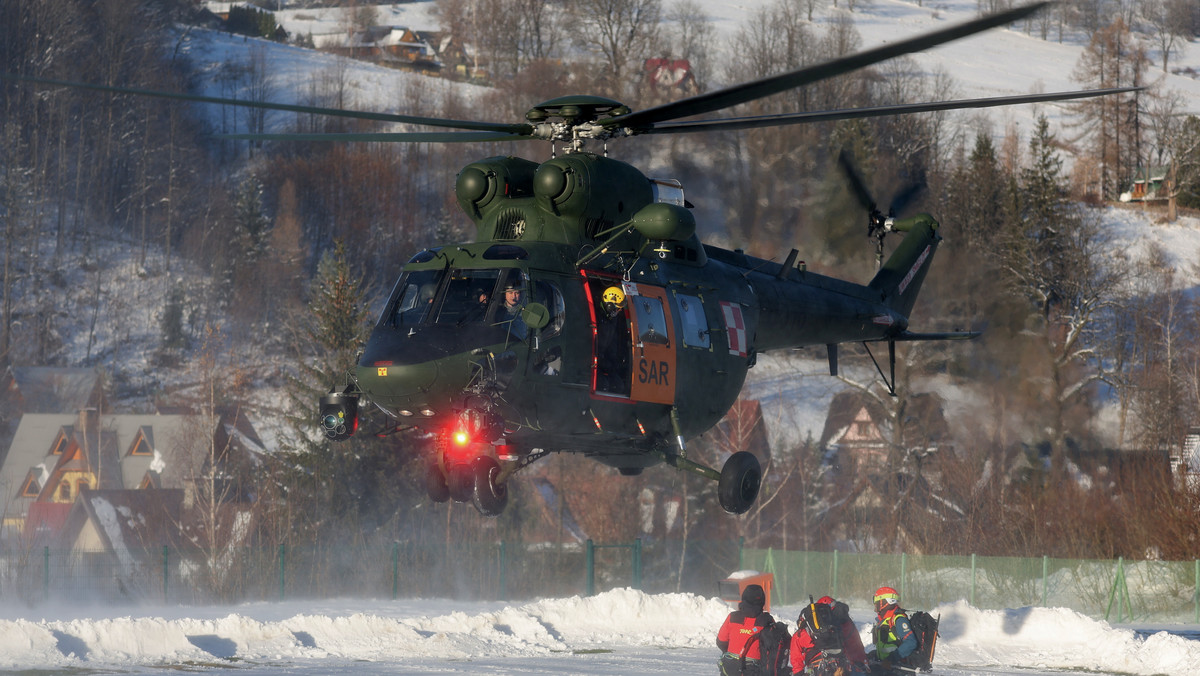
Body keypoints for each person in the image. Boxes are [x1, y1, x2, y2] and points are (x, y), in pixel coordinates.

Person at [791, 596, 868, 676]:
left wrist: (798, 672)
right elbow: (854, 646)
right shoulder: (840, 625)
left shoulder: (807, 629)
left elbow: (796, 652)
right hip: (840, 665)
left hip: (818, 667)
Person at [717, 584, 775, 676]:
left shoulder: (732, 617)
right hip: (754, 668)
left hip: (731, 667)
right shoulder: (767, 620)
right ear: (762, 600)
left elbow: (721, 641)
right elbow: (772, 647)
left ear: (744, 598)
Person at [868, 586, 918, 674]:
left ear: (885, 602)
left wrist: (891, 658)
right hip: (886, 667)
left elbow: (911, 642)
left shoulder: (898, 619)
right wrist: (874, 655)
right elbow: (888, 646)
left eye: (877, 602)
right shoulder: (884, 621)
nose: (875, 606)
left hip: (898, 669)